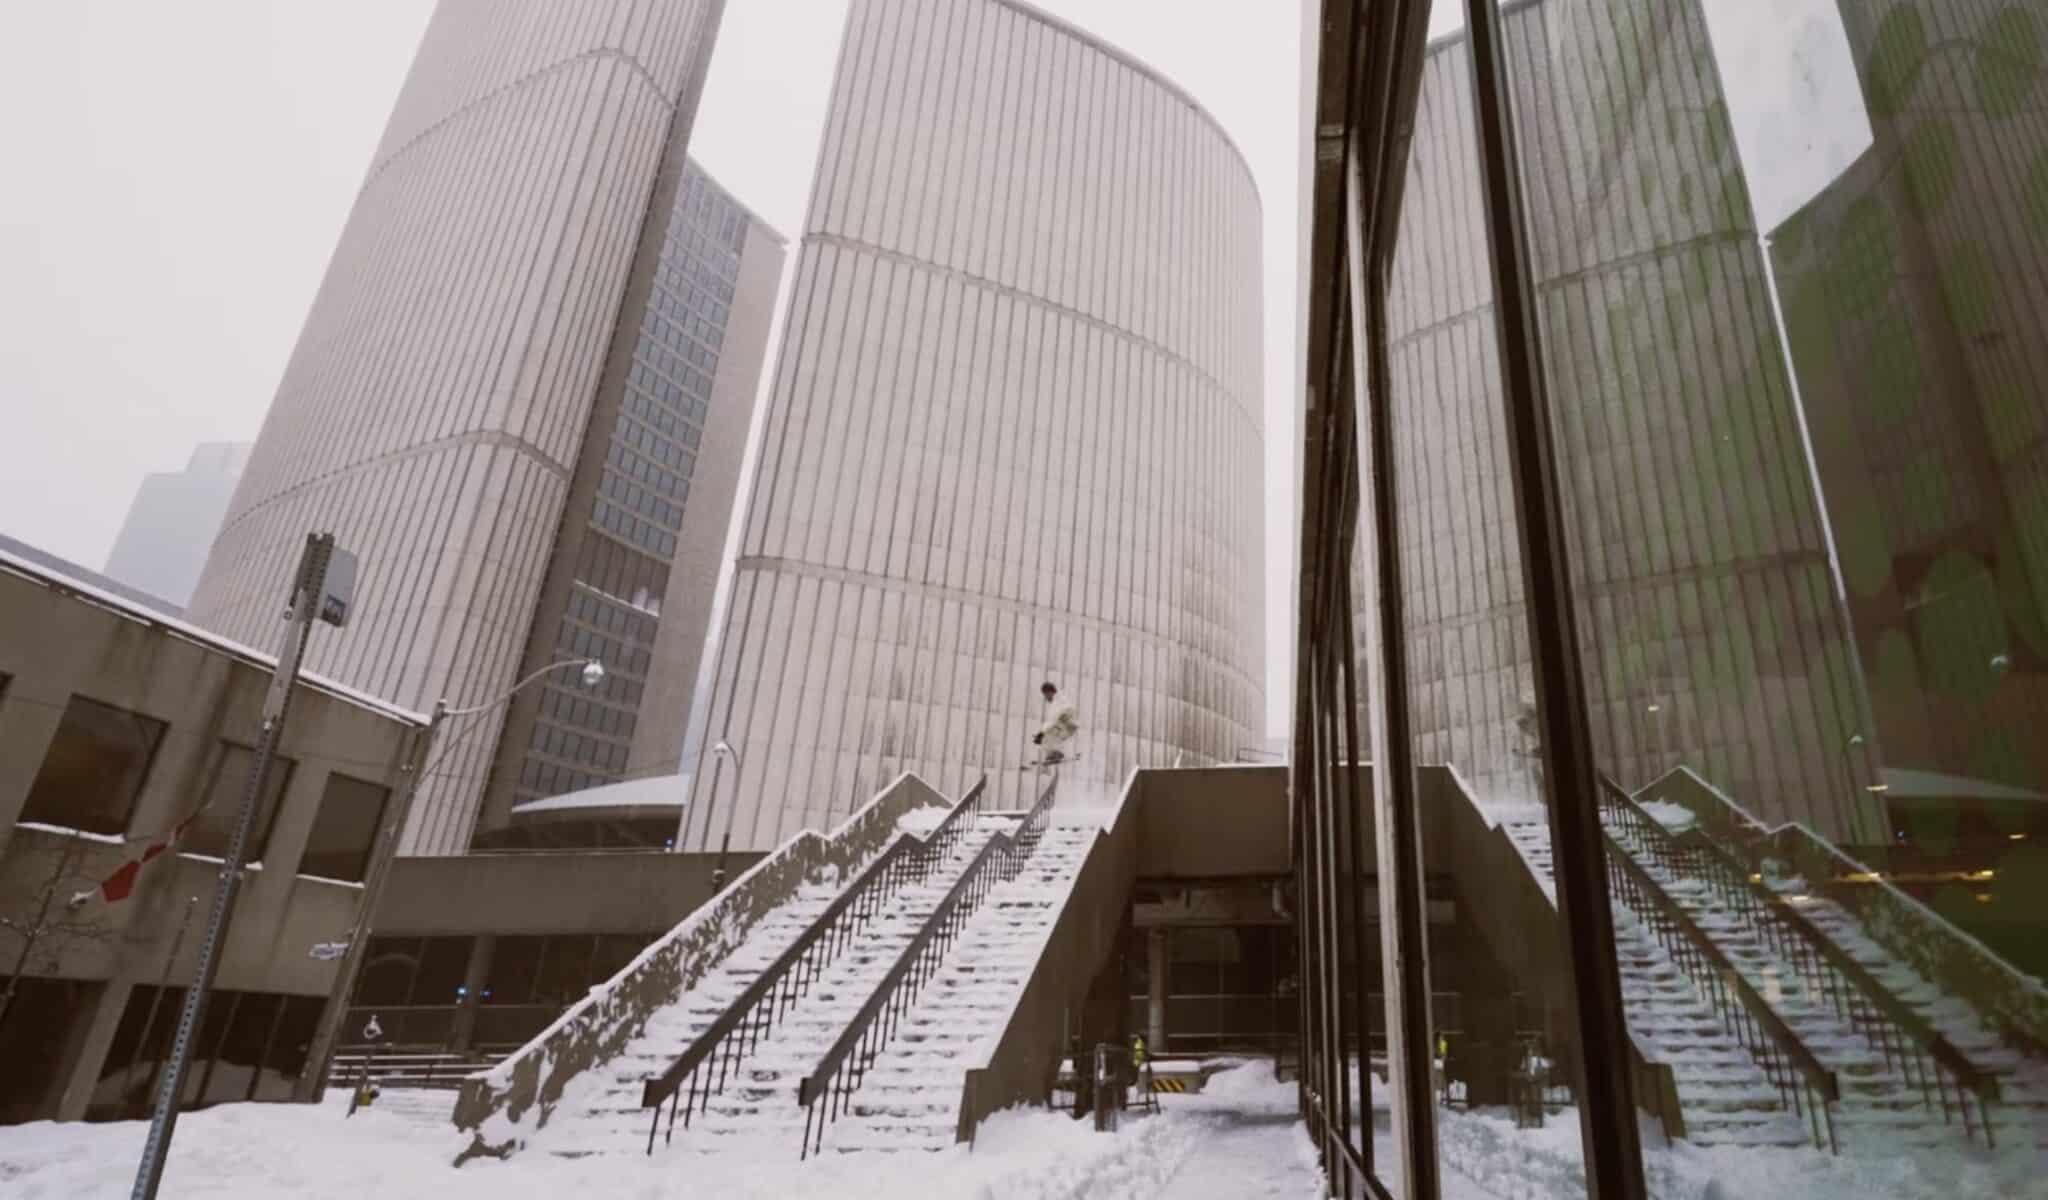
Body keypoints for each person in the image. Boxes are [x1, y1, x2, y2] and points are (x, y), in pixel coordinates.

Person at [1033, 680, 1080, 765]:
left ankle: (1056, 754)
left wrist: (1041, 733)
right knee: (1051, 737)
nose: (1045, 698)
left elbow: (1053, 719)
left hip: (1067, 722)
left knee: (1049, 735)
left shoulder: (1057, 701)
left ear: (1049, 692)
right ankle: (1054, 754)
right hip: (1068, 724)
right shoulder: (1060, 698)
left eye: (1045, 695)